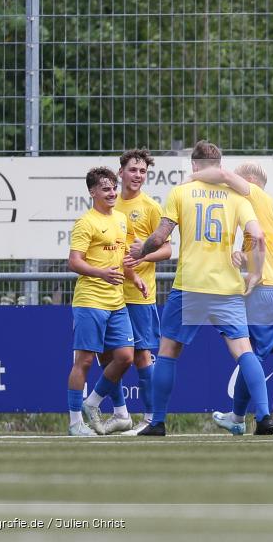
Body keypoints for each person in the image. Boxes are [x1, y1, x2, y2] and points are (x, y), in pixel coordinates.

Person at [129, 141, 270, 437]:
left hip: (190, 285)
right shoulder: (237, 196)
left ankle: (157, 421)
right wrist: (255, 271)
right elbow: (257, 236)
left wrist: (140, 251)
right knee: (244, 351)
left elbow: (160, 236)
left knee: (168, 351)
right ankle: (265, 417)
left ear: (194, 166)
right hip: (227, 286)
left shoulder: (180, 192)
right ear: (219, 165)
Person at [189, 162, 273, 435]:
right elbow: (265, 253)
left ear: (248, 180)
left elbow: (223, 174)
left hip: (266, 292)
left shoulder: (256, 196)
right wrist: (243, 258)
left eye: (237, 180)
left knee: (249, 356)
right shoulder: (267, 213)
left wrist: (193, 177)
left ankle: (239, 418)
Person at [95, 149, 171, 436]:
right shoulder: (110, 207)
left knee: (140, 356)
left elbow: (167, 249)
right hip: (109, 292)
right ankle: (120, 413)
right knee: (106, 356)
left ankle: (151, 418)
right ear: (121, 173)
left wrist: (144, 256)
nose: (138, 175)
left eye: (142, 171)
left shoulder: (151, 207)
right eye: (133, 170)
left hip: (139, 294)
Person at [66, 167, 147, 436]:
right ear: (92, 192)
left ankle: (93, 403)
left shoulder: (122, 220)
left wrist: (134, 277)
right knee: (85, 362)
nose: (112, 193)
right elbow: (74, 261)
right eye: (105, 188)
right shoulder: (85, 222)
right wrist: (101, 273)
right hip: (90, 300)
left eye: (113, 187)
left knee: (125, 357)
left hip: (117, 301)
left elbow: (124, 256)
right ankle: (75, 423)